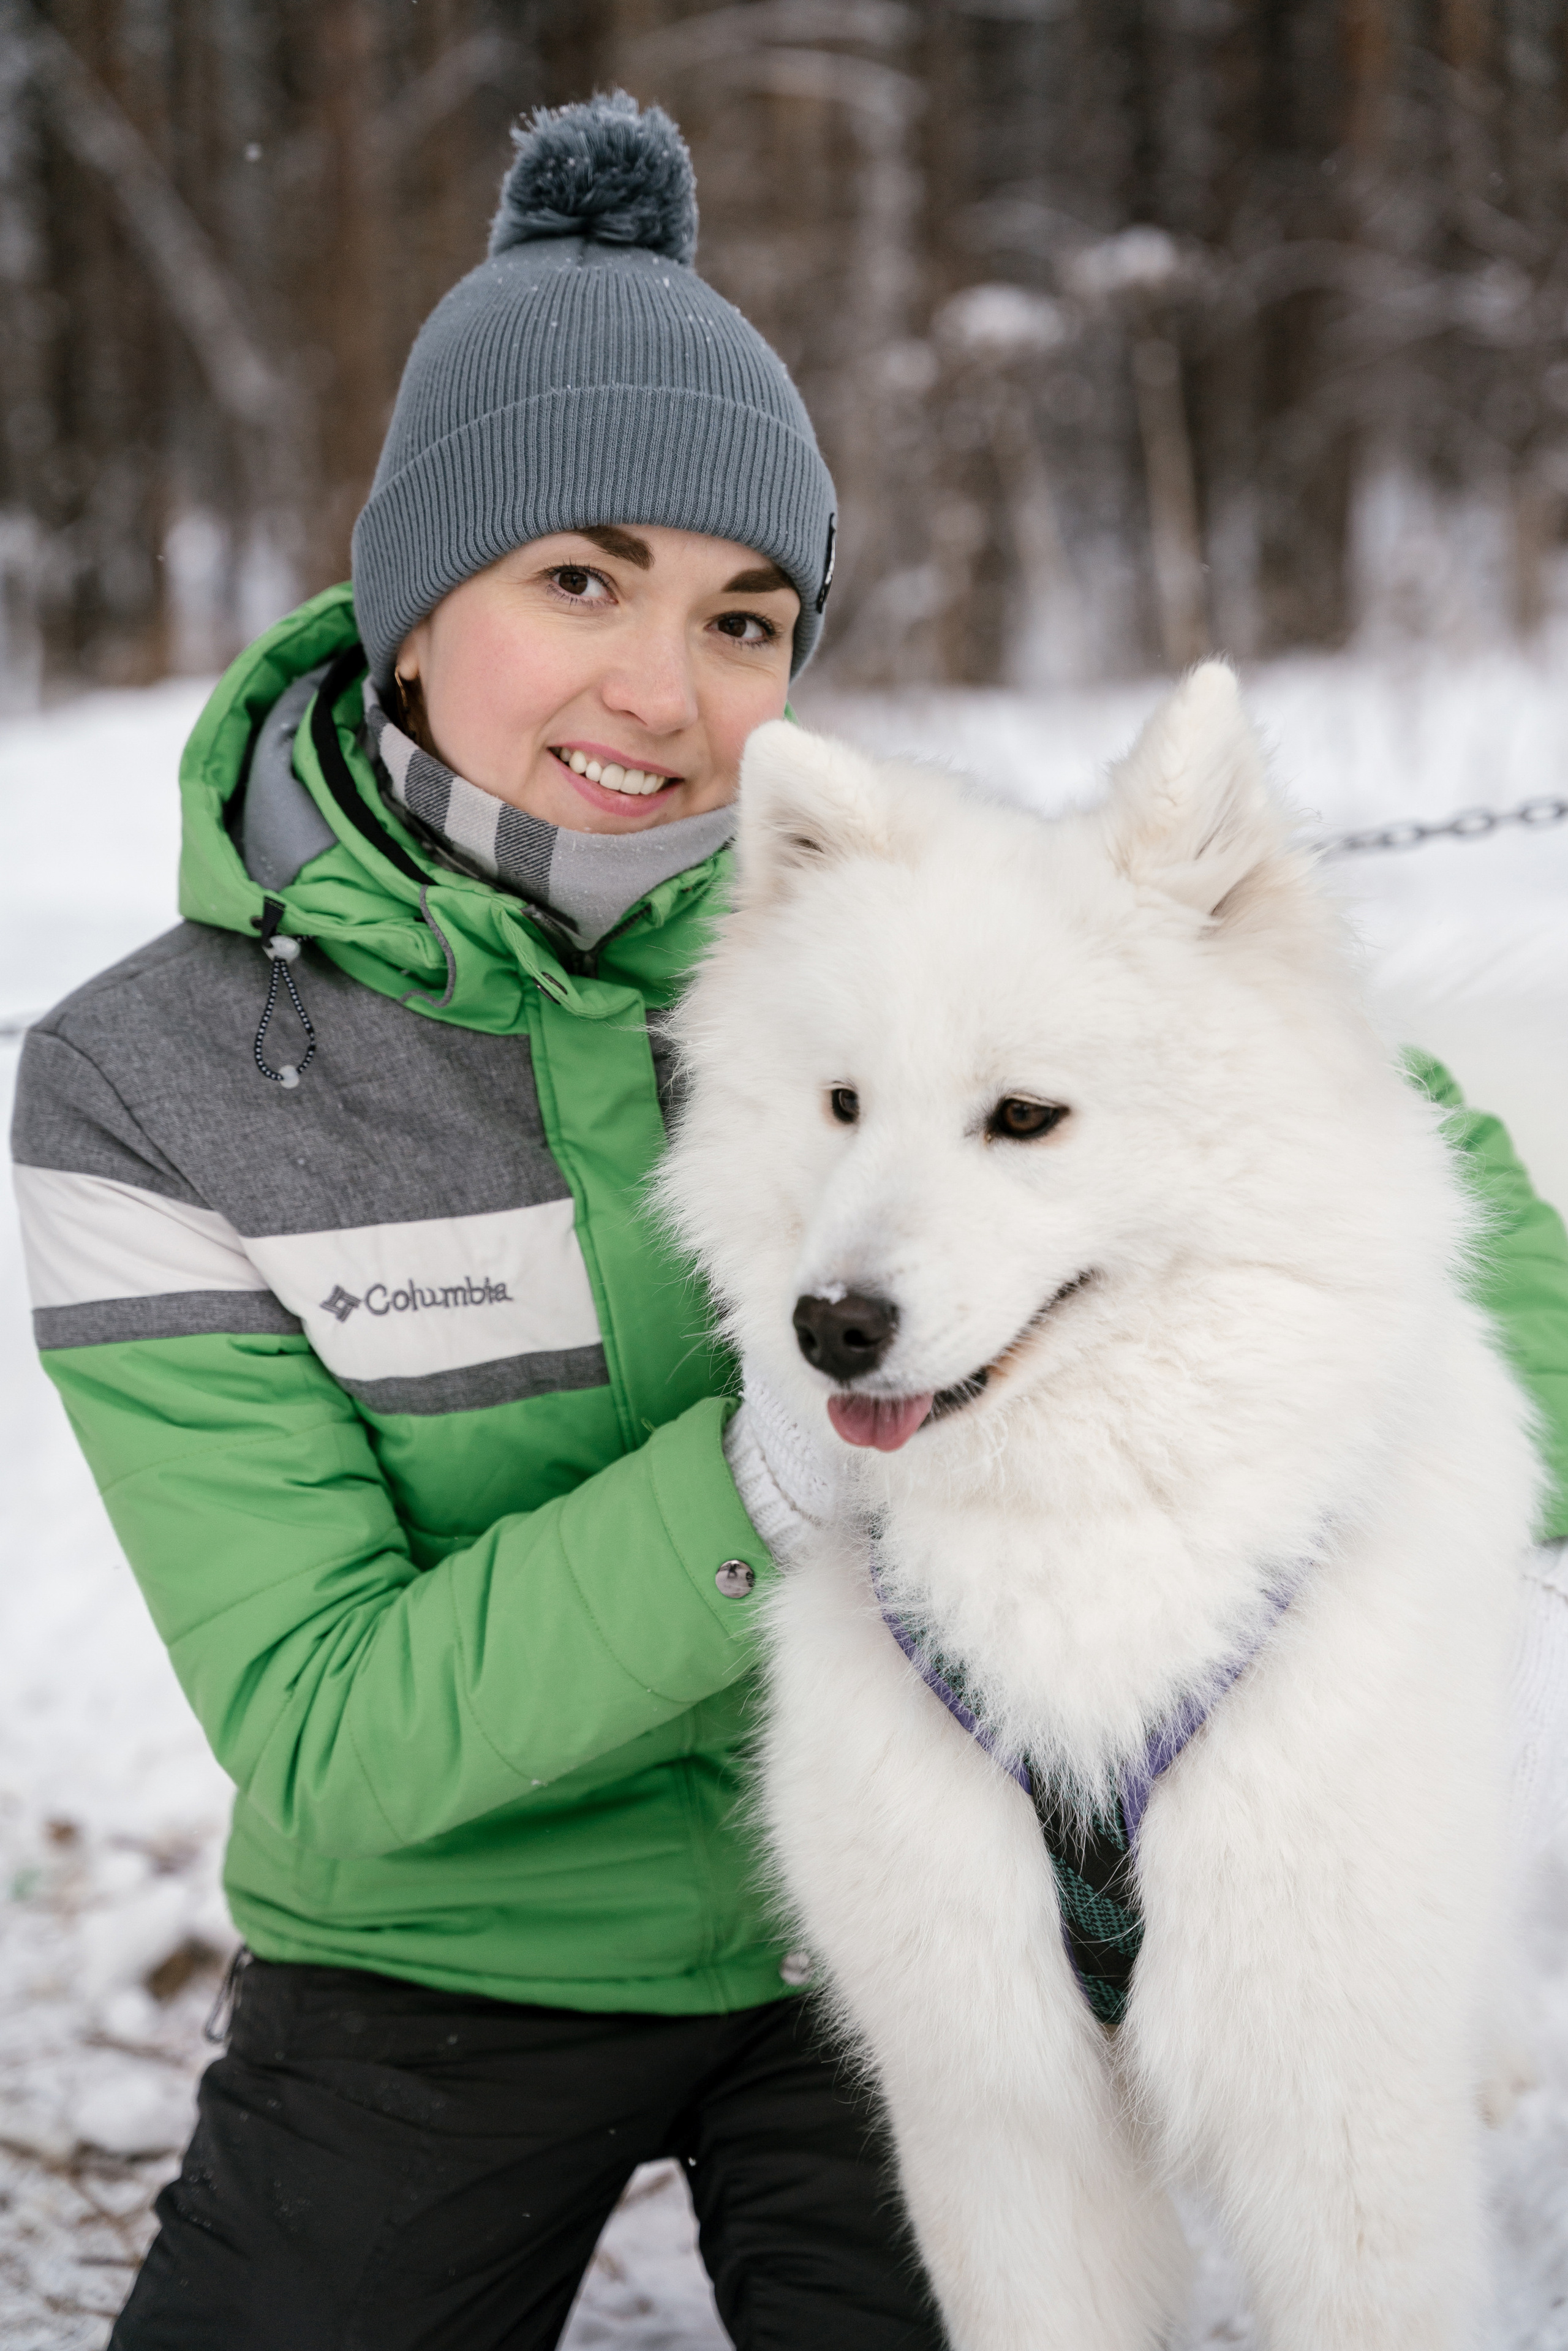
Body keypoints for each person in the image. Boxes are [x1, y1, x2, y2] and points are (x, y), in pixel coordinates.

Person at [10, 91, 1568, 2351]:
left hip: (928, 1904)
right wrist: (762, 1481)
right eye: (580, 581)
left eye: (745, 616)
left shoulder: (891, 910)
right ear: (409, 592)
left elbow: (1394, 1228)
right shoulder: (142, 1083)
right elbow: (331, 1733)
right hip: (454, 1966)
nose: (667, 693)